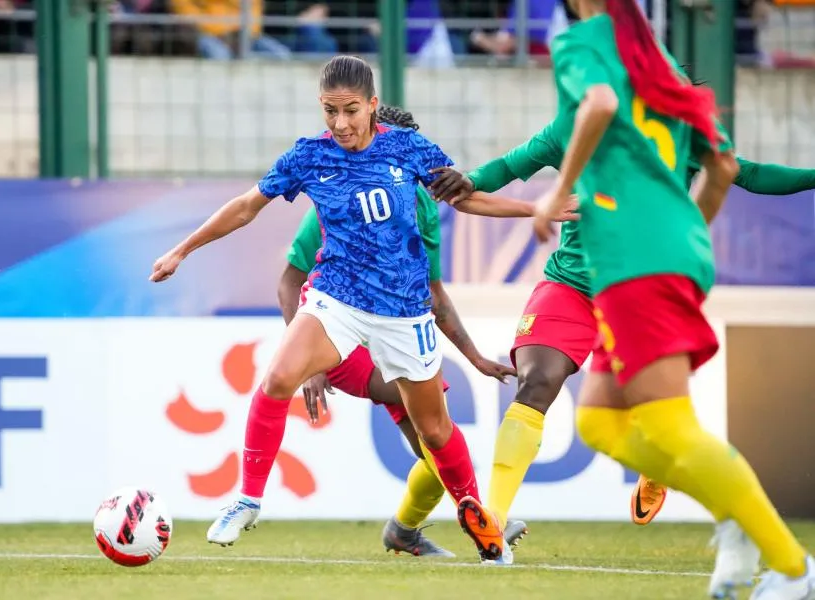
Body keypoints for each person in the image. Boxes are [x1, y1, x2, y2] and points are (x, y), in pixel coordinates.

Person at [150, 55, 505, 562]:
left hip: (403, 312)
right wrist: (183, 249)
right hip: (336, 299)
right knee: (278, 377)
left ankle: (475, 514)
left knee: (432, 427)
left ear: (373, 107)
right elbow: (247, 208)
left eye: (350, 111)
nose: (339, 123)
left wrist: (539, 208)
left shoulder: (409, 155)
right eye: (329, 111)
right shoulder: (310, 157)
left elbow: (467, 201)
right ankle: (248, 497)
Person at [429, 114, 815, 563]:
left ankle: (666, 472)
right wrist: (469, 178)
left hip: (640, 294)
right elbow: (505, 169)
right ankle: (493, 524)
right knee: (535, 382)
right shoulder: (570, 127)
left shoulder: (679, 131)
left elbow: (749, 174)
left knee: (644, 418)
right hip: (571, 285)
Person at [525, 0, 813, 597]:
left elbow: (599, 104)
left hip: (634, 258)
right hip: (668, 252)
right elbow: (727, 166)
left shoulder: (583, 46)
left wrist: (559, 191)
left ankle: (794, 569)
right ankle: (734, 512)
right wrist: (683, 242)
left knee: (669, 427)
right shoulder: (661, 67)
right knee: (602, 421)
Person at [279, 104, 580, 559]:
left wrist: (476, 357)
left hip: (392, 328)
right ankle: (479, 513)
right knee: (428, 422)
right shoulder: (336, 191)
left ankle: (406, 529)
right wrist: (308, 365)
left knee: (434, 431)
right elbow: (288, 281)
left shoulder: (420, 204)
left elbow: (434, 294)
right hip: (340, 336)